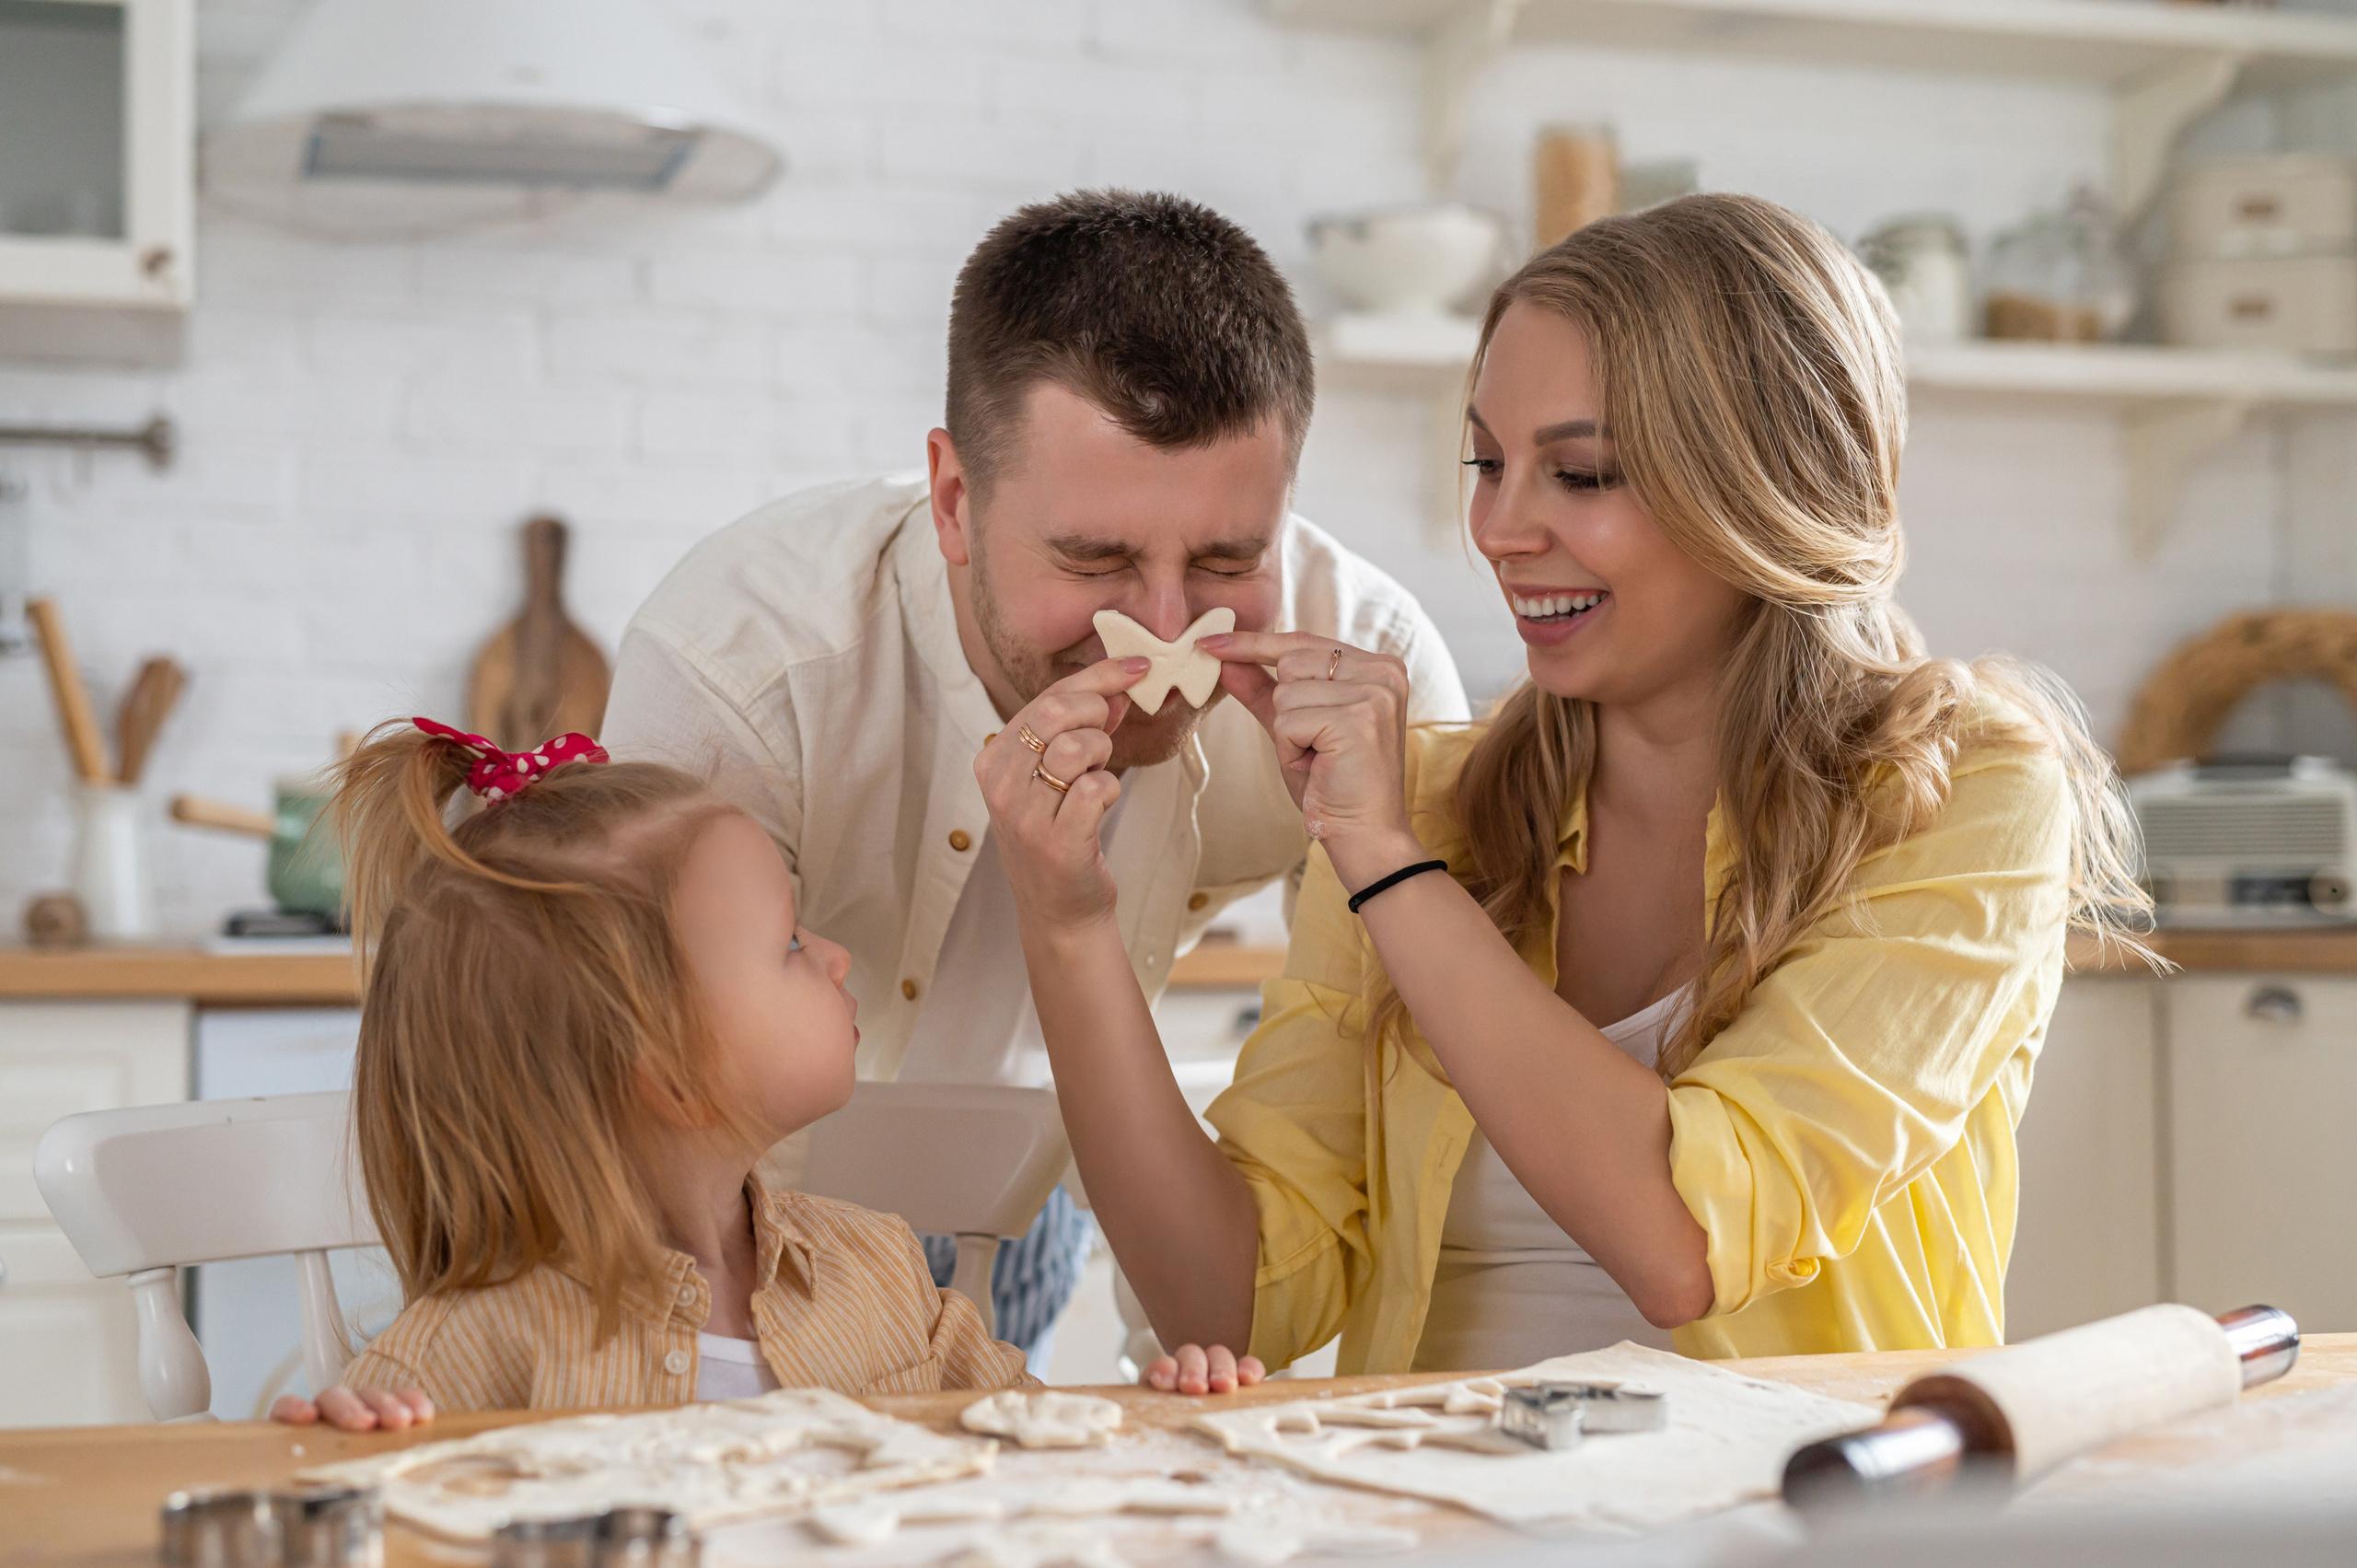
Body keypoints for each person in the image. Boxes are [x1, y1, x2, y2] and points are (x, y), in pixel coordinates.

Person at [977, 192, 2153, 1387]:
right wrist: (1073, 935)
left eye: (1579, 472)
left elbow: (1684, 1240)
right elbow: (1233, 1300)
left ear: (1762, 483)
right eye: (1487, 461)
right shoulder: (1425, 802)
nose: (1496, 526)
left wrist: (1386, 862)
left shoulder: (1965, 801)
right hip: (1435, 1508)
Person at [598, 189, 1469, 1376]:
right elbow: (622, 1113)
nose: (1163, 638)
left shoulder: (1371, 675)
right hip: (737, 1229)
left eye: (1226, 558)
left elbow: (1319, 1210)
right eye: (1095, 560)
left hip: (1052, 1175)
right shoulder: (742, 671)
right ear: (954, 502)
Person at [271, 718, 1033, 1431]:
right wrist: (348, 1462)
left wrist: (1154, 1405)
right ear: (669, 1072)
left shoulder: (882, 1271)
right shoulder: (456, 1359)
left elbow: (1062, 1451)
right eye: (791, 944)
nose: (835, 956)